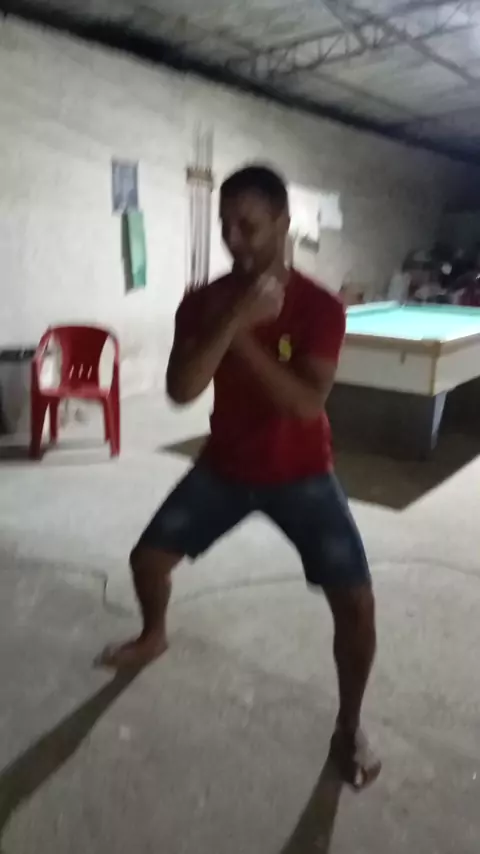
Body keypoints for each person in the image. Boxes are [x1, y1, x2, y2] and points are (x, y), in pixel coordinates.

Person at [99, 165, 381, 790]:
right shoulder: (203, 303)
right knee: (147, 562)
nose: (233, 239)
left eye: (248, 226)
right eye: (225, 225)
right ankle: (154, 635)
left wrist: (245, 340)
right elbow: (180, 390)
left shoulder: (321, 308)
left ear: (283, 224)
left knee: (357, 606)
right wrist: (235, 320)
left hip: (302, 473)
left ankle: (349, 726)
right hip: (225, 467)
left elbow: (305, 405)